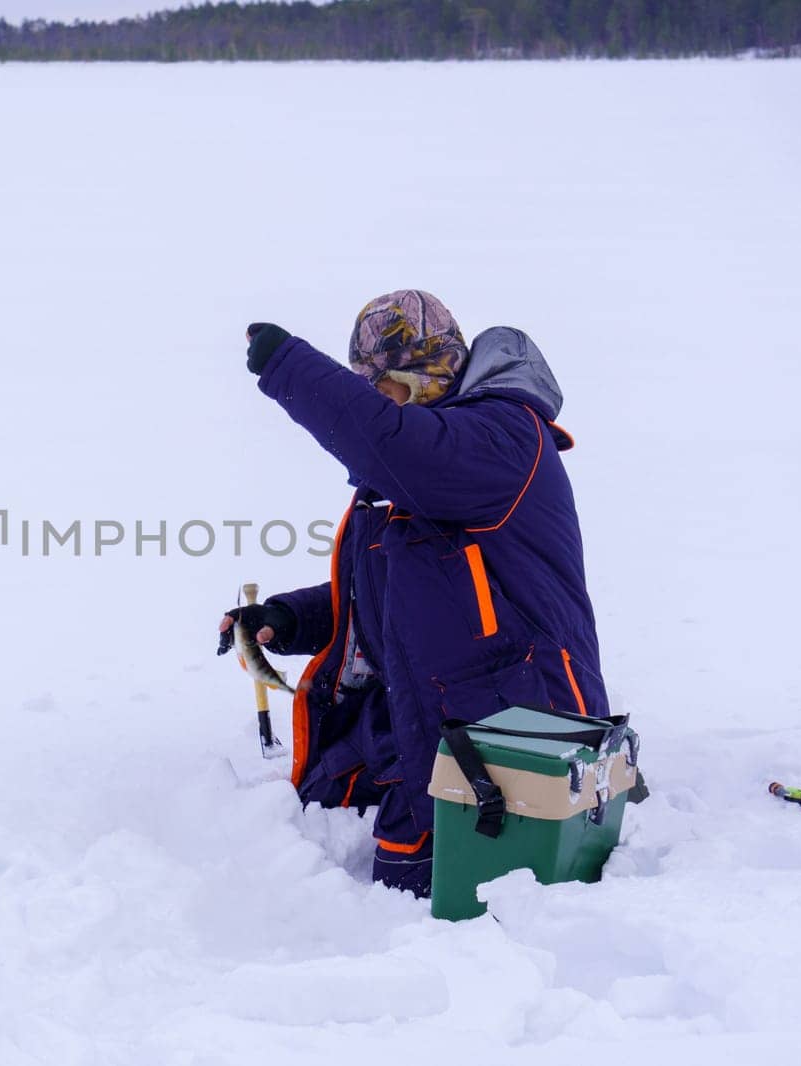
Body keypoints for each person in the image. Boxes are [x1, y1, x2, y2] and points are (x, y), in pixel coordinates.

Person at [217, 290, 607, 898]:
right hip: (443, 737)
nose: (378, 401)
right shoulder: (417, 476)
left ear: (428, 371)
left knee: (449, 915)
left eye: (386, 384)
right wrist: (287, 619)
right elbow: (393, 593)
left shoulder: (500, 438)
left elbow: (391, 441)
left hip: (524, 742)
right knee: (396, 889)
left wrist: (287, 364)